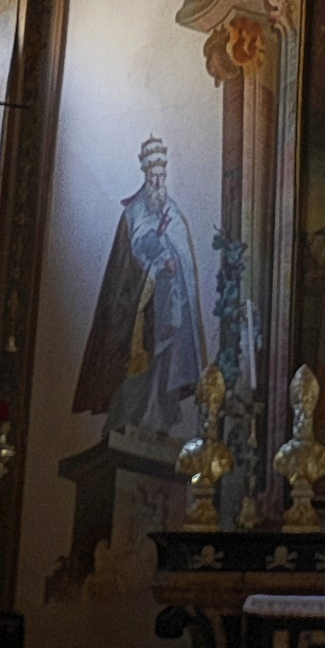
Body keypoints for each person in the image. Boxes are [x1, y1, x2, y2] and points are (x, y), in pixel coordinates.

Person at [73, 135, 210, 434]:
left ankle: (156, 423)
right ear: (146, 176)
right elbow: (130, 261)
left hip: (168, 310)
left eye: (162, 176)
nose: (159, 183)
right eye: (153, 177)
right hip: (138, 307)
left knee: (164, 366)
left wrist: (173, 268)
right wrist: (157, 259)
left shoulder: (173, 213)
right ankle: (125, 420)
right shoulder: (133, 213)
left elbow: (184, 261)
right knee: (135, 363)